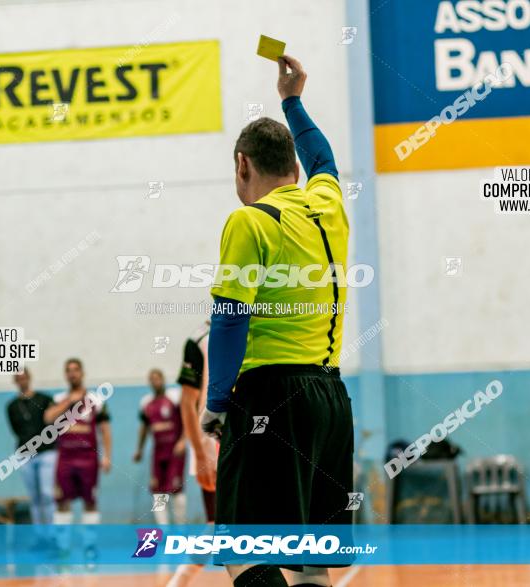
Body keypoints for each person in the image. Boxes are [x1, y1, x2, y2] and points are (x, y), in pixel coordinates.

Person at [201, 55, 354, 587]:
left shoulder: (250, 220)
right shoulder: (328, 205)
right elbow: (325, 158)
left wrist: (215, 403)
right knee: (314, 562)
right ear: (295, 166)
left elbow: (228, 320)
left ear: (243, 164)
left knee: (244, 552)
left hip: (269, 396)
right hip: (331, 400)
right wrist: (293, 100)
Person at [44, 358, 112, 557]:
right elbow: (47, 418)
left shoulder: (95, 400)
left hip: (88, 460)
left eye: (76, 370)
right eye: (69, 370)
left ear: (82, 373)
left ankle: (89, 546)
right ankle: (63, 547)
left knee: (90, 502)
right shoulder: (58, 399)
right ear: (65, 375)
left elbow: (105, 430)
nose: (72, 373)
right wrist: (68, 402)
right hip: (65, 459)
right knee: (62, 502)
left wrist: (107, 456)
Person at [167, 320, 216, 587]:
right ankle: (180, 579)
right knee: (219, 523)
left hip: (253, 444)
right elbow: (187, 402)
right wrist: (199, 455)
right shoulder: (200, 340)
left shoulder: (258, 328)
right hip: (214, 445)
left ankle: (179, 580)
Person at [6, 368, 56, 544]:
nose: (22, 381)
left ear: (29, 378)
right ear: (15, 381)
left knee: (47, 494)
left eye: (24, 377)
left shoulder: (44, 399)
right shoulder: (12, 406)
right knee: (34, 497)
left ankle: (52, 535)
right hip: (25, 454)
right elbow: (15, 430)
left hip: (47, 452)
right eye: (18, 378)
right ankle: (40, 537)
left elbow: (54, 422)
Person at [134, 368, 187, 525]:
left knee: (176, 489)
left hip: (175, 451)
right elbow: (144, 427)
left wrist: (183, 440)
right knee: (157, 491)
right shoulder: (146, 403)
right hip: (158, 452)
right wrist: (140, 449)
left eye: (158, 378)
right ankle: (163, 531)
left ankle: (181, 529)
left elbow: (187, 418)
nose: (155, 381)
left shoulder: (175, 398)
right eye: (152, 379)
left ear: (163, 379)